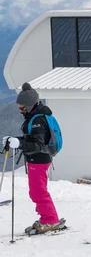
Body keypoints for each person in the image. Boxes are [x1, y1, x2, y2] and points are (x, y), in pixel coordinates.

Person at [2, 83, 63, 233]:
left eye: (22, 107)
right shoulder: (35, 116)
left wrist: (19, 143)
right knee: (37, 190)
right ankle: (48, 217)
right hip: (38, 159)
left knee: (38, 191)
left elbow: (38, 144)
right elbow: (32, 139)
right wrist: (15, 140)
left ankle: (50, 220)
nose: (20, 110)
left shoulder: (37, 120)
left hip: (39, 159)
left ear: (30, 105)